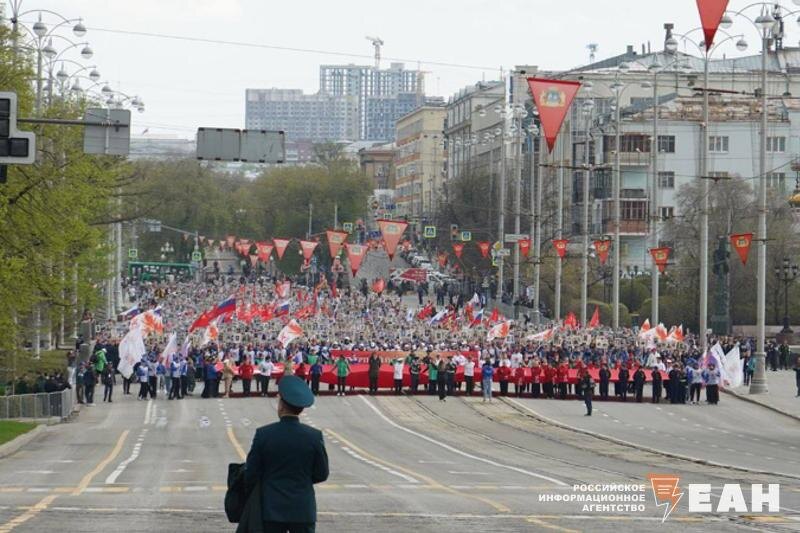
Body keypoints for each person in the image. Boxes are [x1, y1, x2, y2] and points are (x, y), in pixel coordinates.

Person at [245, 376, 329, 533]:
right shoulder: (314, 436)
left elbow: (251, 473)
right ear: (302, 409)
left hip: (271, 508)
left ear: (281, 405)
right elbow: (322, 473)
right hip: (302, 508)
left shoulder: (264, 434)